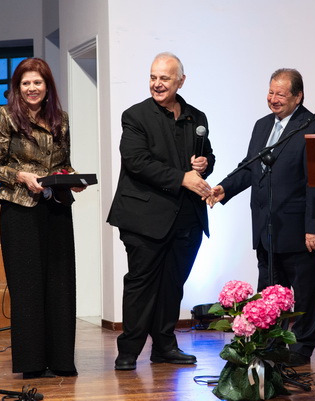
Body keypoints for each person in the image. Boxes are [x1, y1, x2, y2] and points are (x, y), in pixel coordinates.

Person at [207, 68, 315, 367]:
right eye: (270, 92)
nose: (273, 99)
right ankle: (271, 345)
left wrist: (314, 227)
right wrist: (225, 188)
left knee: (305, 294)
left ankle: (301, 349)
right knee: (270, 294)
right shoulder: (262, 125)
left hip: (299, 230)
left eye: (280, 94)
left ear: (298, 96)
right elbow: (251, 167)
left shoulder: (314, 126)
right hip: (266, 227)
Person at [107, 52, 215, 371]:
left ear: (181, 81)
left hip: (186, 217)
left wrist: (204, 164)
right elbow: (136, 162)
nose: (157, 83)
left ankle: (165, 346)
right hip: (144, 217)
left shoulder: (197, 117)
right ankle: (129, 350)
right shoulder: (135, 116)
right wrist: (182, 177)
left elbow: (208, 156)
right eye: (153, 77)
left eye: (164, 78)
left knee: (172, 286)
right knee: (140, 285)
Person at [0, 57, 86, 379]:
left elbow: (64, 163)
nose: (32, 88)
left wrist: (73, 179)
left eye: (37, 82)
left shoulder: (61, 119)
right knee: (27, 287)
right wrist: (21, 176)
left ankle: (61, 361)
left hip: (56, 207)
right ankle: (31, 364)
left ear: (47, 86)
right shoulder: (5, 116)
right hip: (20, 210)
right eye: (26, 83)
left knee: (60, 283)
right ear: (18, 87)